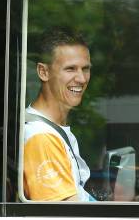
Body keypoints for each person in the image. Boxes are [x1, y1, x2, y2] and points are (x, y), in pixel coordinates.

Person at [23, 27, 94, 201]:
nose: (82, 79)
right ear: (43, 72)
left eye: (85, 69)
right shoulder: (41, 138)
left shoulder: (54, 129)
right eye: (70, 69)